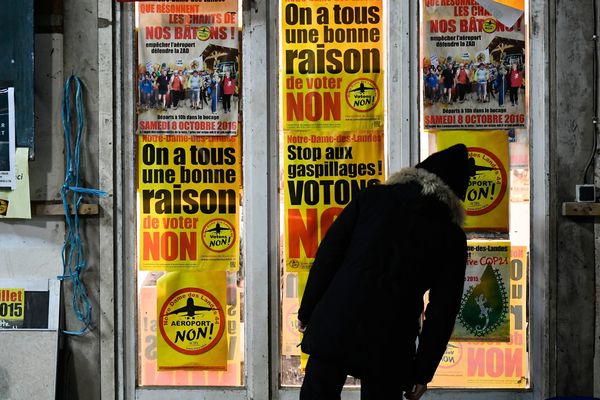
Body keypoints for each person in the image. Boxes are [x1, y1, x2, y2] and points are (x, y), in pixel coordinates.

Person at [298, 144, 472, 400]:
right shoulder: (450, 235)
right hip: (391, 339)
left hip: (336, 318)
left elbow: (328, 256)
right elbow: (442, 311)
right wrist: (422, 372)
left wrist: (307, 310)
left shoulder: (372, 199)